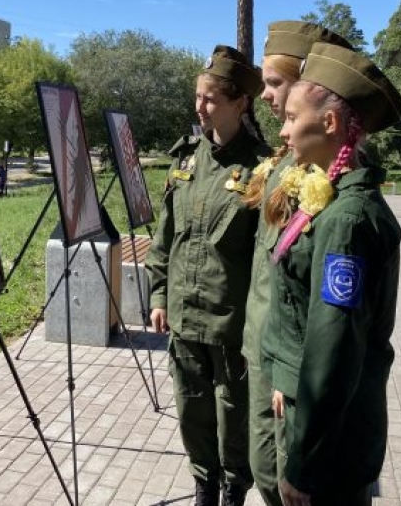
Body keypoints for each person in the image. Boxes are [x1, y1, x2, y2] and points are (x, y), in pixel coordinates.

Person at [261, 43, 401, 506]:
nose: (283, 129)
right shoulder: (330, 196)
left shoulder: (346, 219)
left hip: (331, 450)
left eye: (291, 118)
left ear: (329, 123)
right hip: (323, 426)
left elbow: (333, 350)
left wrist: (302, 466)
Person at [145, 45, 270, 506]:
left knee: (233, 413)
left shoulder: (263, 168)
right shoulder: (186, 160)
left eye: (211, 99)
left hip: (231, 324)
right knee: (191, 410)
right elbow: (166, 237)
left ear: (240, 103)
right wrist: (159, 296)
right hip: (183, 316)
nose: (200, 107)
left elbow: (268, 257)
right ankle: (204, 486)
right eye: (198, 97)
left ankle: (235, 488)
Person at [240, 21, 353, 506]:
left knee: (293, 480)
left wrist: (294, 372)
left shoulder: (330, 171)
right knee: (265, 470)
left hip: (295, 364)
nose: (266, 95)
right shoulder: (288, 161)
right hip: (264, 344)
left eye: (274, 83)